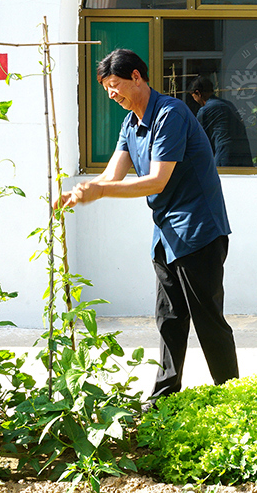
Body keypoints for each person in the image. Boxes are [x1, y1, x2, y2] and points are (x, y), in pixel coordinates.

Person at [61, 49, 240, 399]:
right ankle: (163, 397)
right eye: (106, 89)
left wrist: (100, 192)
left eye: (115, 86)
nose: (112, 95)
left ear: (137, 77)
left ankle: (232, 397)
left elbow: (157, 180)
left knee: (208, 322)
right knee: (169, 319)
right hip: (166, 234)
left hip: (197, 230)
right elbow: (113, 174)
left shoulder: (170, 114)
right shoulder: (130, 124)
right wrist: (84, 190)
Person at [189, 77, 254, 167]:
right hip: (244, 153)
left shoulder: (205, 110)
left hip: (225, 156)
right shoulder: (228, 104)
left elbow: (199, 140)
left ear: (198, 93)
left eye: (194, 97)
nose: (195, 100)